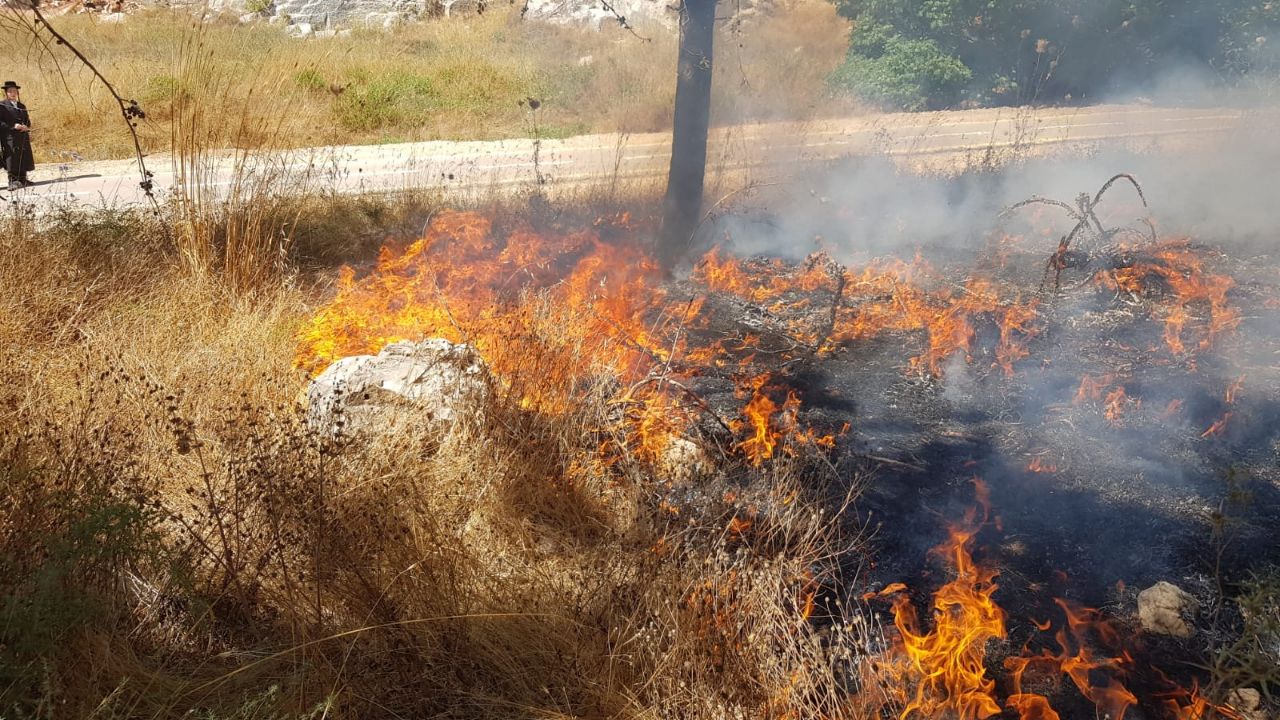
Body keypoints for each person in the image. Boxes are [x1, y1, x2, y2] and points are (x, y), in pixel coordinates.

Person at [0, 80, 35, 189]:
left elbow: (27, 120)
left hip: (22, 135)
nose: (13, 93)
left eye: (14, 91)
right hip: (9, 137)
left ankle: (23, 179)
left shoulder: (21, 105)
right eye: (10, 91)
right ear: (6, 93)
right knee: (12, 158)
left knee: (23, 156)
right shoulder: (2, 106)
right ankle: (13, 181)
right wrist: (13, 126)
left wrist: (26, 126)